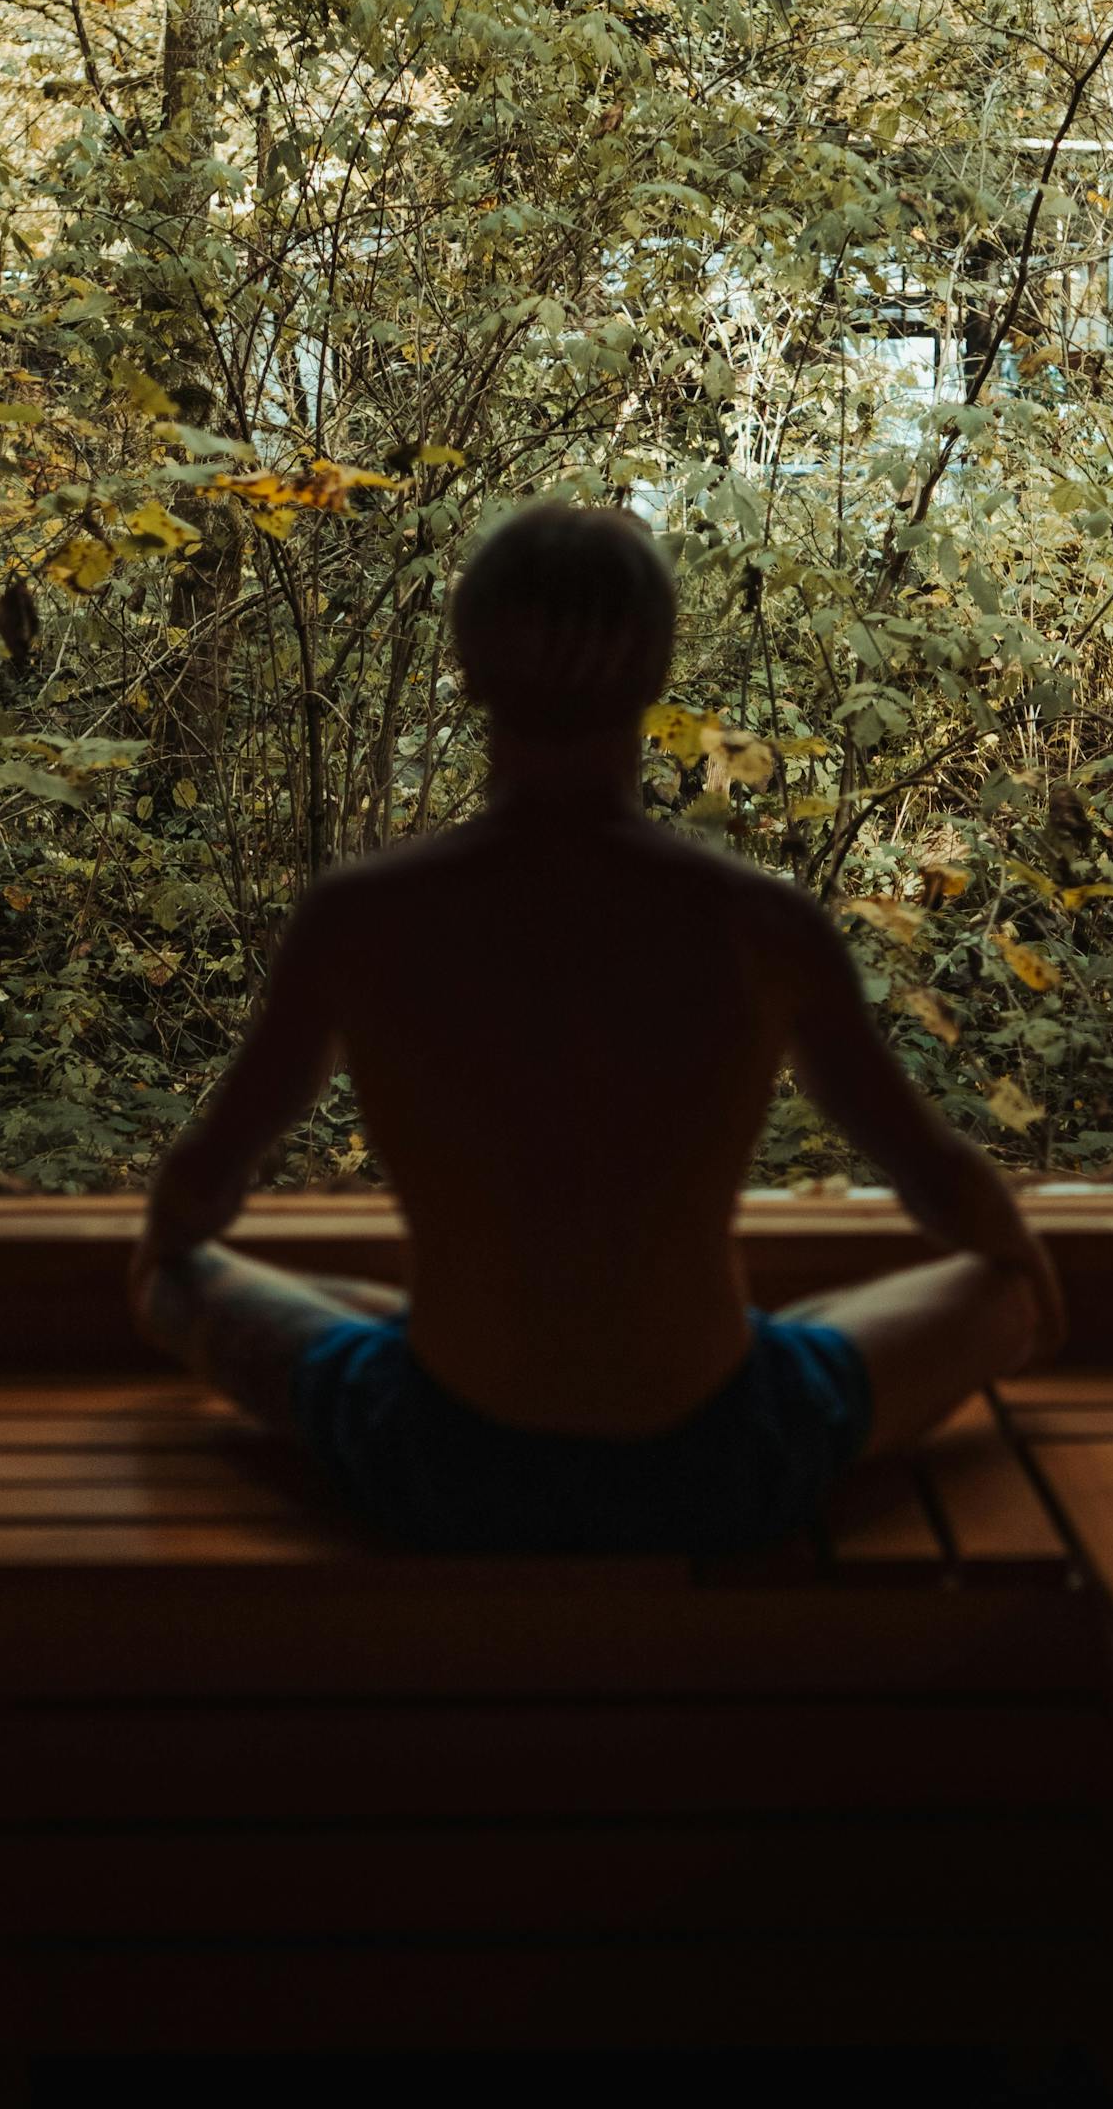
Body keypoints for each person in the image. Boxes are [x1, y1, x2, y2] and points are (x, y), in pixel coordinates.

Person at [129, 501, 1064, 1555]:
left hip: (438, 1459)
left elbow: (197, 1195)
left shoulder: (361, 916)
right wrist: (1033, 1272)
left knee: (182, 1283)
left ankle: (405, 1335)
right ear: (657, 676)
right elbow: (940, 1182)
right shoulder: (762, 924)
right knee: (996, 1297)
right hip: (718, 1459)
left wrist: (169, 1255)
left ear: (470, 673)